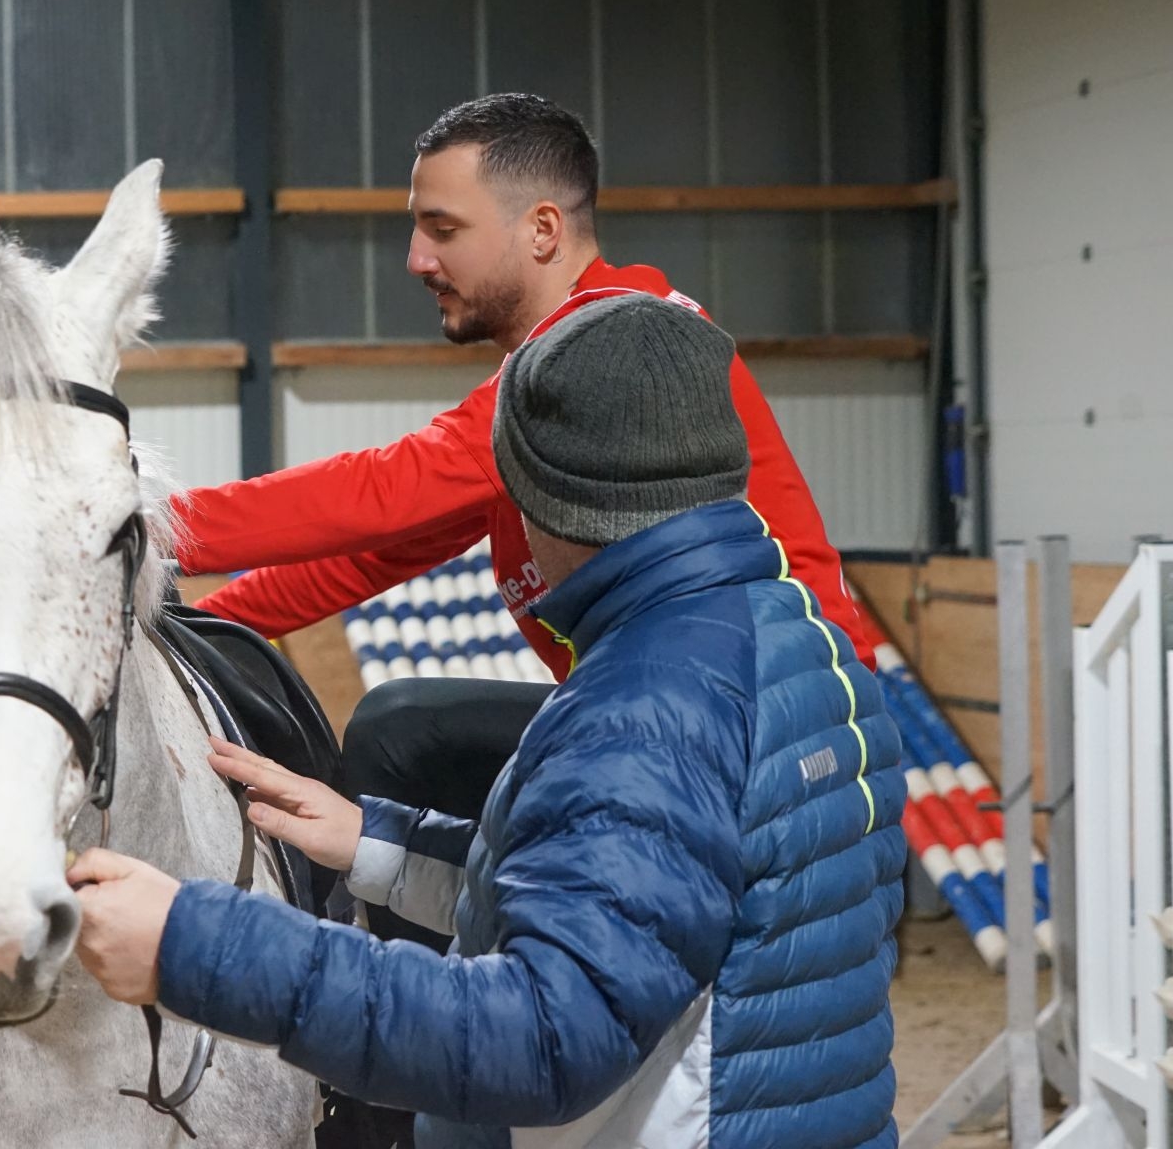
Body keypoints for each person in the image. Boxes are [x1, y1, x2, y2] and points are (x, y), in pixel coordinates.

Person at [73, 297, 907, 1149]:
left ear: (540, 498)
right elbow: (632, 905)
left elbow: (542, 1040)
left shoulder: (640, 713)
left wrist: (196, 947)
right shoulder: (799, 639)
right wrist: (377, 846)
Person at [169, 95, 875, 929]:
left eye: (443, 229)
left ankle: (408, 996)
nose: (416, 259)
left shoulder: (616, 351)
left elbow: (386, 490)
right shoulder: (556, 367)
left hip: (761, 741)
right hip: (681, 722)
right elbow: (378, 547)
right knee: (404, 732)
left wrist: (137, 522)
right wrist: (197, 627)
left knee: (402, 737)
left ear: (542, 230)